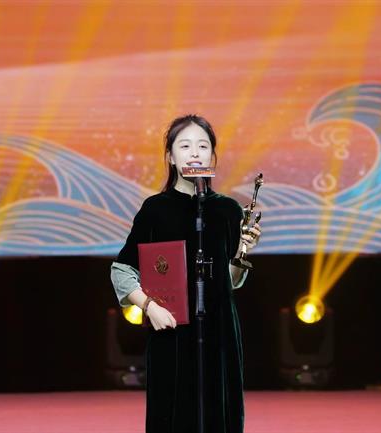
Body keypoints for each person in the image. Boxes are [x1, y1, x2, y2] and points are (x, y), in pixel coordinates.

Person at [110, 114, 261, 433]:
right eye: (185, 145)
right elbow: (122, 270)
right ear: (170, 156)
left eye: (203, 146)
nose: (194, 153)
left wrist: (241, 252)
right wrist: (149, 307)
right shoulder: (155, 209)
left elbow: (230, 281)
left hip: (220, 329)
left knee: (221, 413)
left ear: (212, 156)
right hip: (171, 330)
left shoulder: (228, 210)